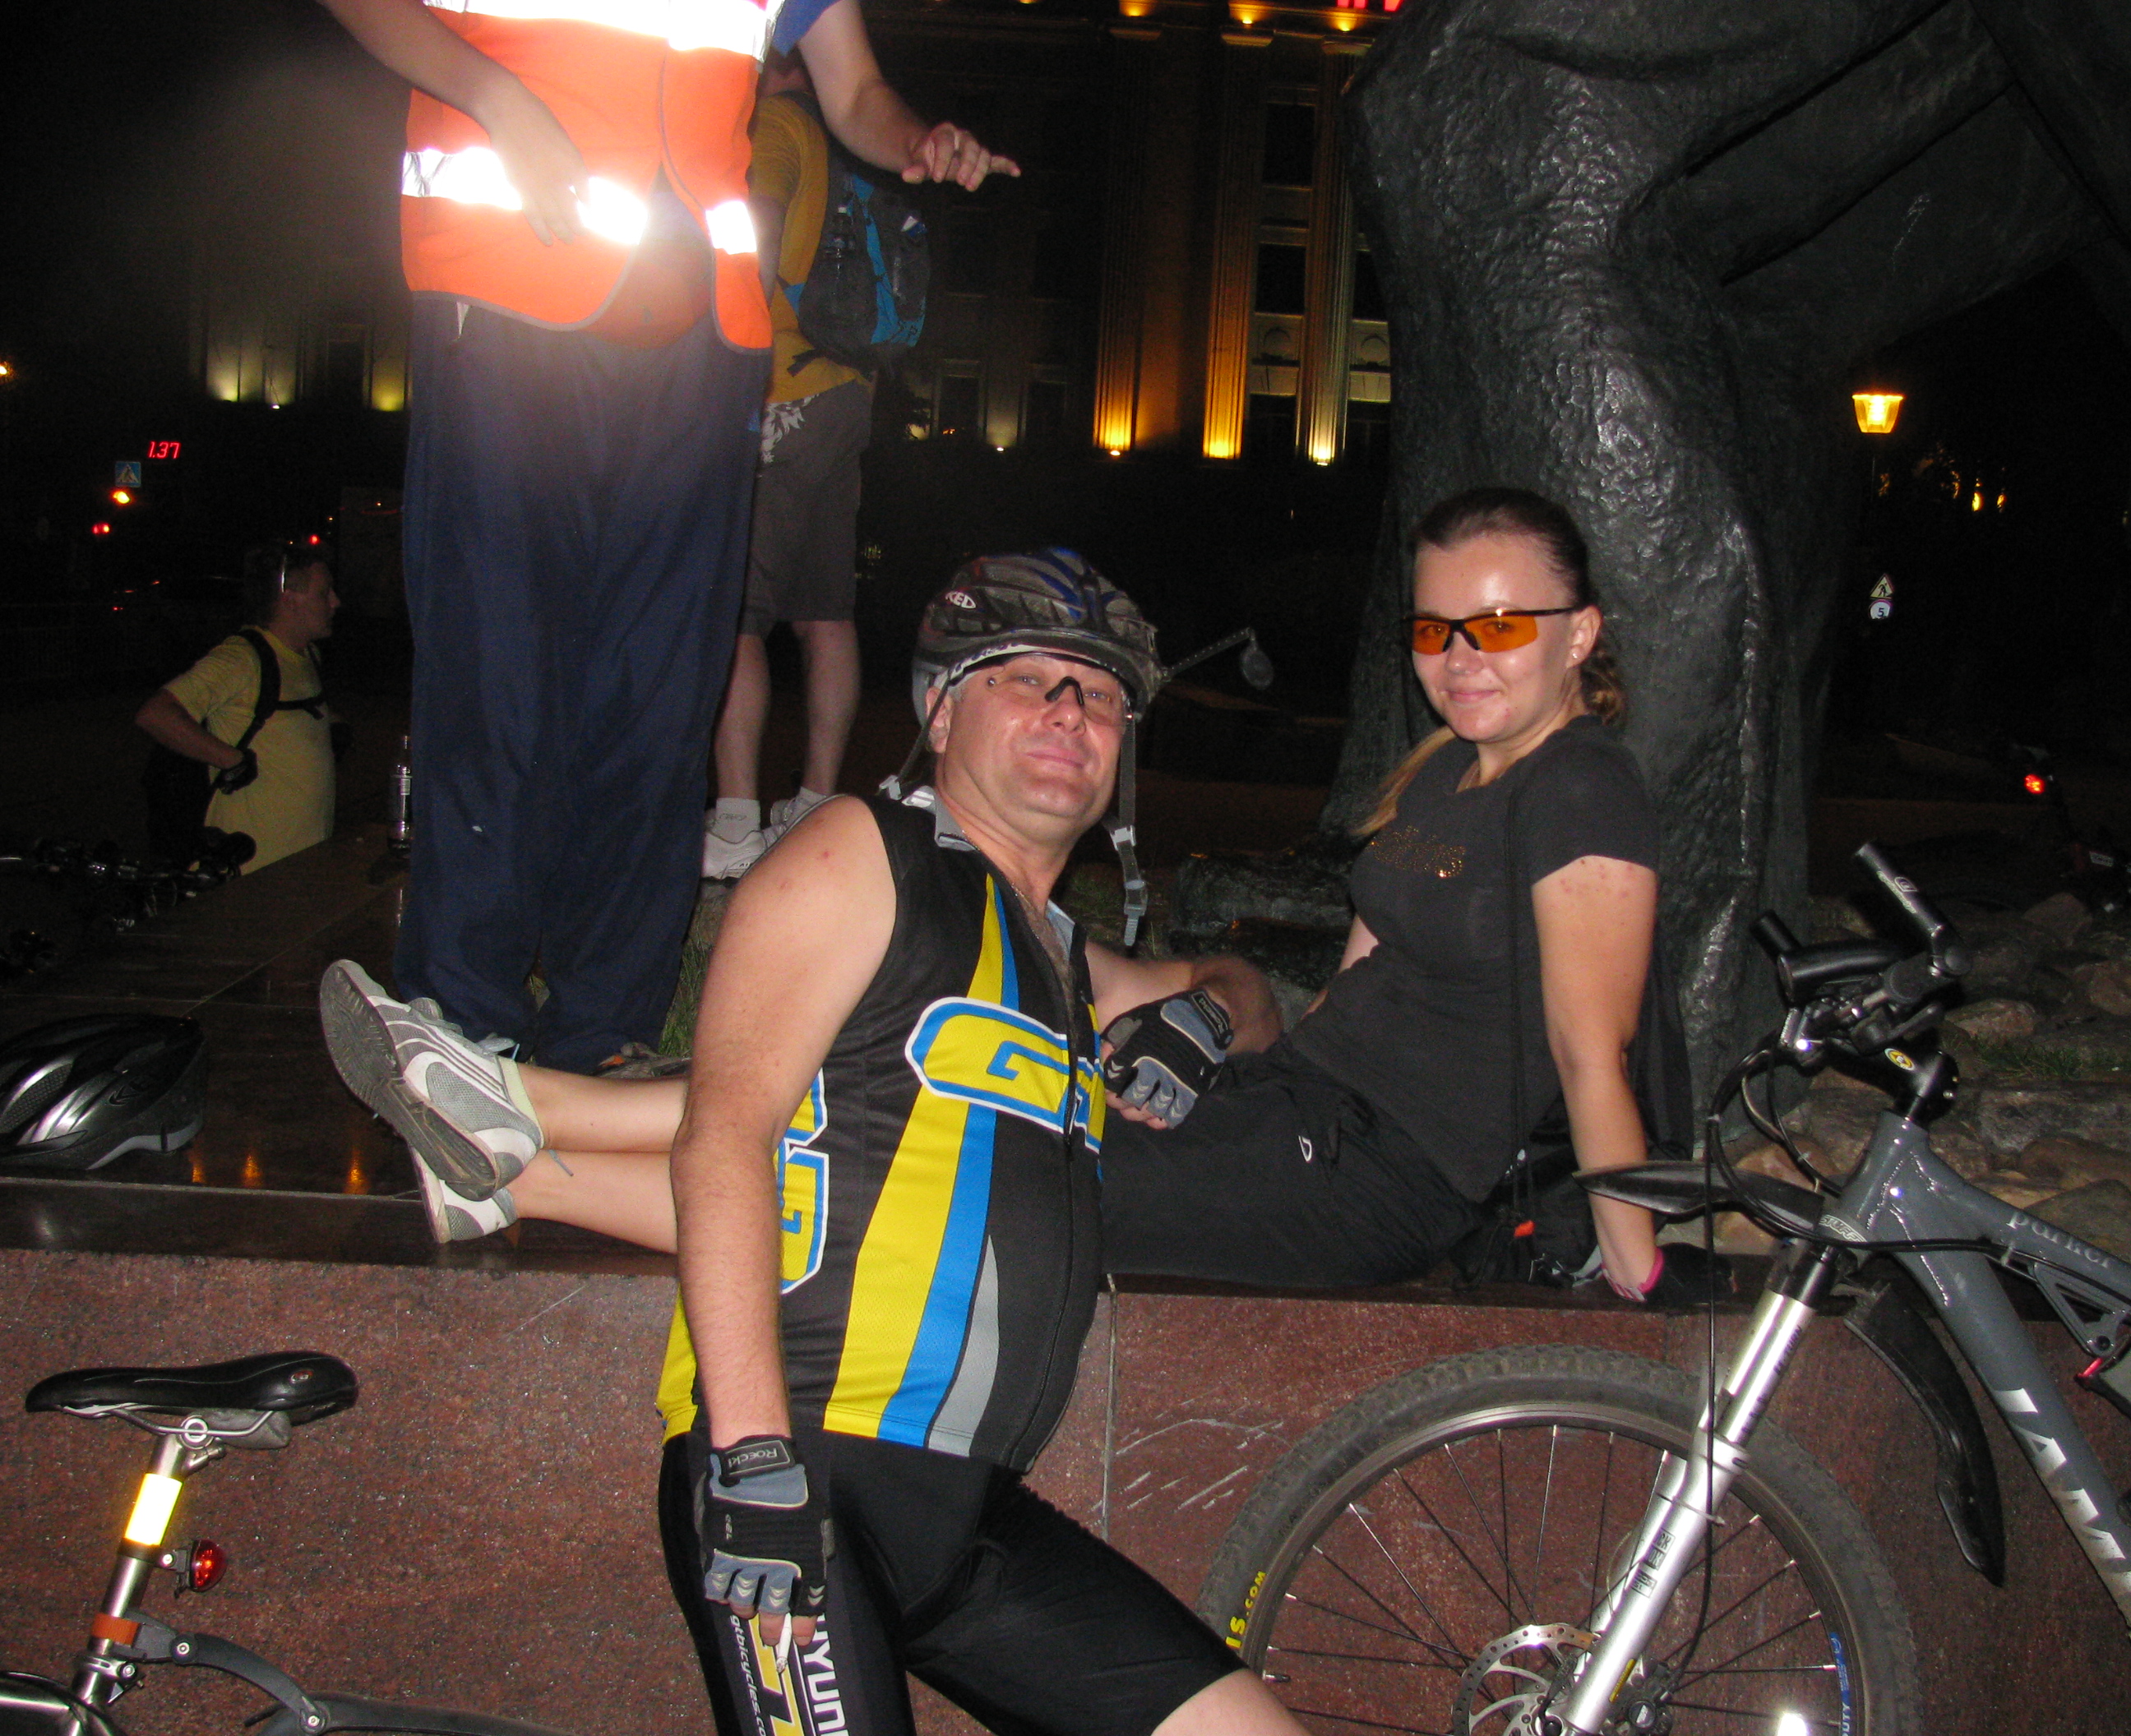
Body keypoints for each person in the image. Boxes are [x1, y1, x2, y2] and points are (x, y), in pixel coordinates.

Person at [323, 553, 1304, 1736]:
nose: (1069, 712)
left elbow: (1252, 992)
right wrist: (751, 1460)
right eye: (1027, 679)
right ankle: (522, 1121)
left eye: (1098, 695)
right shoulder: (861, 853)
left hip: (972, 1515)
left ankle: (520, 1142)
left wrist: (1205, 1018)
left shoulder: (1063, 958)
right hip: (806, 1467)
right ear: (940, 714)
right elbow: (727, 1138)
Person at [323, 495, 1696, 1304]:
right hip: (1288, 1114)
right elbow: (1353, 993)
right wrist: (1215, 1041)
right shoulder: (1446, 775)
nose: (1461, 655)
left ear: (1580, 633)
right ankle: (509, 1167)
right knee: (925, 1108)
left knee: (971, 1175)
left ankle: (520, 1114)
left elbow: (1592, 1047)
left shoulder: (1581, 789)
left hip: (1373, 1180)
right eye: (1436, 626)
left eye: (1501, 625)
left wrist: (1638, 1275)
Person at [315, 0, 1017, 1073]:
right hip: (508, 295)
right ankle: (460, 1018)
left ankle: (606, 1028)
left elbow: (855, 92)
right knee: (497, 668)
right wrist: (498, 98)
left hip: (701, 332)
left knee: (660, 691)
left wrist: (916, 138)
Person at [703, 53, 876, 880]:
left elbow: (759, 231)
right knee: (824, 611)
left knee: (738, 611)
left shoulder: (775, 124)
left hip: (783, 390)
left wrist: (726, 352)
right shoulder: (845, 145)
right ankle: (813, 804)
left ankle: (736, 822)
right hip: (847, 393)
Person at [136, 541, 340, 875]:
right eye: (324, 593)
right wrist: (231, 760)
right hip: (251, 872)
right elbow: (156, 714)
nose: (335, 602)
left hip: (303, 864)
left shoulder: (308, 655)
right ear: (289, 598)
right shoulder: (242, 658)